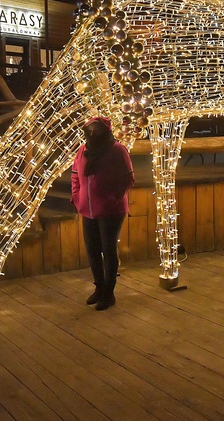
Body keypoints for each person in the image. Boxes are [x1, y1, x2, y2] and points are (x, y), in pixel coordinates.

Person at [71, 116, 135, 310]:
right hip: (87, 210)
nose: (92, 133)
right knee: (92, 250)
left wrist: (112, 199)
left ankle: (109, 293)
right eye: (89, 129)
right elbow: (75, 175)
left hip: (111, 211)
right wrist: (77, 197)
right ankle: (99, 288)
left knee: (108, 250)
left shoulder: (117, 149)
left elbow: (127, 178)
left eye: (95, 129)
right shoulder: (83, 150)